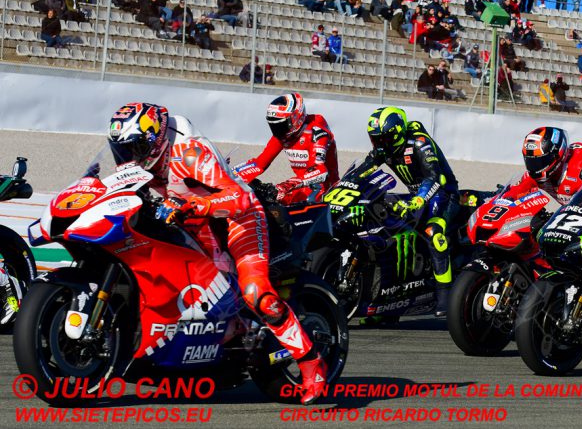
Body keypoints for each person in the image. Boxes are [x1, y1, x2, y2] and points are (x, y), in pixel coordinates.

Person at [106, 103, 327, 404]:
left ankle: (311, 362)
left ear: (155, 140)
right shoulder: (140, 165)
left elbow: (239, 197)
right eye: (122, 150)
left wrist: (194, 206)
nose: (128, 158)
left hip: (238, 218)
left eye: (134, 148)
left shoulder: (189, 153)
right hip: (194, 221)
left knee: (255, 292)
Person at [356, 107, 459, 316]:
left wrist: (419, 199)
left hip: (444, 193)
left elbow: (434, 177)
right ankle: (388, 302)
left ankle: (446, 298)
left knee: (434, 234)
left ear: (396, 134)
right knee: (381, 223)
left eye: (383, 138)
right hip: (415, 196)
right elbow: (364, 170)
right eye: (375, 139)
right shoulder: (384, 149)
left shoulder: (419, 143)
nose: (379, 144)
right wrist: (348, 185)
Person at [234, 93, 339, 204]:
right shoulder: (283, 134)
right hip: (300, 187)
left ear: (296, 118)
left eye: (281, 125)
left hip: (325, 191)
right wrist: (230, 174)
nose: (277, 130)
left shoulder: (317, 132)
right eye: (274, 126)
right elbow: (260, 163)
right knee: (255, 193)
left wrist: (286, 186)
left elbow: (320, 171)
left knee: (274, 200)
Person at [502, 127, 582, 207]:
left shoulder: (581, 172)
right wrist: (502, 200)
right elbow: (515, 192)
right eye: (531, 161)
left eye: (540, 161)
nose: (535, 167)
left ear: (557, 154)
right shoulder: (536, 173)